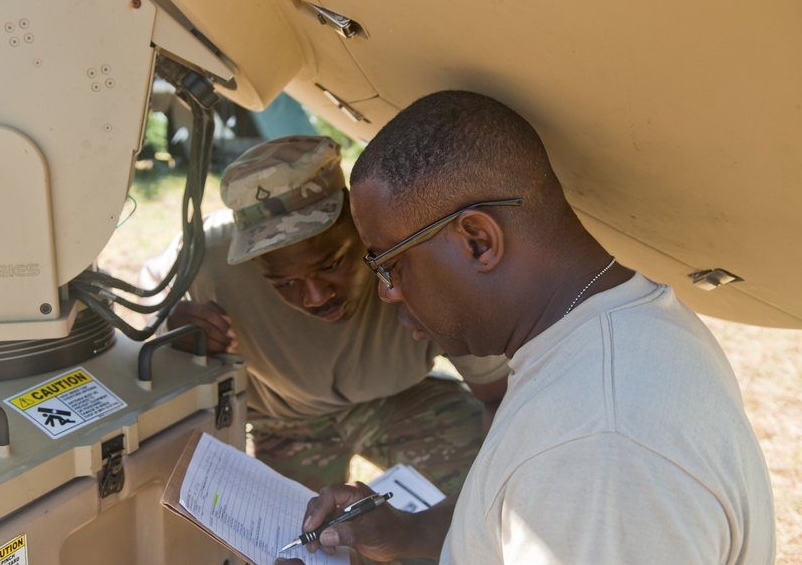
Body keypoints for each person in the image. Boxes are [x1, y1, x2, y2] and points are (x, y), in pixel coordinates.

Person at [279, 91, 775, 564]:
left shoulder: (595, 448)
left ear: (477, 240)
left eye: (390, 264)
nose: (387, 291)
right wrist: (409, 533)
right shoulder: (615, 331)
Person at [139, 134, 509, 494]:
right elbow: (151, 285)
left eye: (331, 264)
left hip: (399, 400)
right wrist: (171, 323)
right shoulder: (213, 257)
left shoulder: (420, 257)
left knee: (488, 495)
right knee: (289, 541)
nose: (316, 297)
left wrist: (481, 496)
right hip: (285, 422)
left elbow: (500, 398)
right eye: (284, 283)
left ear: (359, 221)